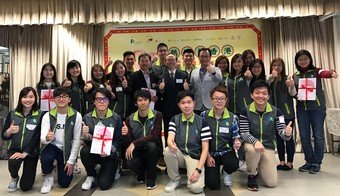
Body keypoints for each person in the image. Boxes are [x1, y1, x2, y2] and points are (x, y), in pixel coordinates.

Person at [239, 80, 292, 191]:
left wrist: (287, 133)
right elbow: (244, 133)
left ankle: (259, 166)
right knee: (253, 151)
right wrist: (255, 142)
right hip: (252, 145)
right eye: (257, 92)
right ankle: (252, 175)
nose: (261, 96)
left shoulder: (277, 112)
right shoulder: (245, 111)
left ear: (268, 96)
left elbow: (282, 133)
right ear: (251, 95)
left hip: (268, 147)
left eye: (264, 93)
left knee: (271, 183)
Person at [293, 49, 338, 174]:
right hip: (302, 110)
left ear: (310, 59)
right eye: (300, 59)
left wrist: (331, 73)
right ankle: (309, 161)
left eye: (305, 58)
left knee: (317, 136)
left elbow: (325, 73)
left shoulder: (317, 71)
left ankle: (317, 162)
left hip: (317, 109)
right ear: (297, 61)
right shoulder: (295, 75)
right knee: (304, 137)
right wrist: (292, 88)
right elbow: (295, 93)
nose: (303, 61)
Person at [164, 91, 211, 194]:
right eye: (183, 103)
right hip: (179, 154)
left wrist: (198, 170)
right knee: (168, 151)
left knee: (196, 188)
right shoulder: (174, 119)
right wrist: (171, 143)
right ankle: (175, 179)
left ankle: (196, 174)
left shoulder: (202, 121)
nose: (186, 105)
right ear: (178, 105)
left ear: (194, 103)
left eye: (189, 102)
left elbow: (205, 148)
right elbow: (170, 137)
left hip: (194, 157)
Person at [40, 86, 82, 194]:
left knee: (64, 183)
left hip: (66, 150)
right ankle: (48, 177)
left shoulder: (76, 116)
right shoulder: (47, 115)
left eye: (64, 96)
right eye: (58, 97)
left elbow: (77, 140)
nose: (61, 99)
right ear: (54, 99)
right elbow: (42, 139)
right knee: (46, 156)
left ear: (69, 99)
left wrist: (71, 161)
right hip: (52, 146)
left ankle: (60, 165)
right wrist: (47, 138)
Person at [1, 87, 43, 192]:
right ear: (20, 98)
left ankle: (25, 179)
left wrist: (25, 153)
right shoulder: (12, 113)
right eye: (24, 97)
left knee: (25, 187)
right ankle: (14, 178)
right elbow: (3, 136)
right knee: (14, 162)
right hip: (15, 149)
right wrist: (8, 131)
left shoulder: (40, 115)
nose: (28, 100)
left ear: (35, 99)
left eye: (31, 97)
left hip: (31, 152)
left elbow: (36, 138)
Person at [80, 88, 122, 190]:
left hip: (110, 154)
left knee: (103, 184)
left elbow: (119, 140)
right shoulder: (87, 118)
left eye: (105, 99)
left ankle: (115, 168)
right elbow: (87, 141)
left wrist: (109, 149)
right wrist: (85, 136)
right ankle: (91, 175)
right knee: (85, 151)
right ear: (94, 101)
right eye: (98, 99)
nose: (102, 102)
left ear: (109, 101)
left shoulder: (116, 118)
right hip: (95, 152)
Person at [122, 89, 163, 190]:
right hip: (138, 151)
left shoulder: (157, 115)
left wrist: (135, 143)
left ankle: (151, 176)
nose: (143, 102)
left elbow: (154, 135)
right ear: (136, 103)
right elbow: (129, 142)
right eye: (140, 100)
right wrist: (126, 134)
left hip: (153, 150)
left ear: (150, 101)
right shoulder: (129, 119)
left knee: (151, 145)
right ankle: (141, 172)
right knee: (130, 162)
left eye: (145, 99)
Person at [201, 86, 240, 189]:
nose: (219, 101)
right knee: (213, 185)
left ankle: (226, 171)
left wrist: (237, 141)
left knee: (233, 164)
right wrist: (208, 156)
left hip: (226, 152)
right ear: (211, 100)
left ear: (226, 100)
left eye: (222, 98)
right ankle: (214, 172)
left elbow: (236, 136)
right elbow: (200, 138)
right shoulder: (204, 116)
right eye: (216, 98)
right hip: (210, 154)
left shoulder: (233, 117)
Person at [268, 58, 296, 171]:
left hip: (288, 114)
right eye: (274, 65)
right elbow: (265, 85)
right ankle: (281, 161)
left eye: (279, 65)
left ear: (283, 67)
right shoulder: (271, 80)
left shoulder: (288, 78)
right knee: (279, 138)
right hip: (276, 115)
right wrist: (271, 77)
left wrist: (292, 85)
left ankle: (289, 162)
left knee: (288, 138)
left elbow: (293, 94)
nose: (276, 67)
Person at [190, 47, 222, 114]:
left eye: (206, 56)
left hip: (210, 104)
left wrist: (214, 73)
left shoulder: (216, 69)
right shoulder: (194, 71)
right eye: (202, 56)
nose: (204, 59)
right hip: (197, 105)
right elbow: (192, 87)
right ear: (198, 57)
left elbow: (220, 79)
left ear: (210, 57)